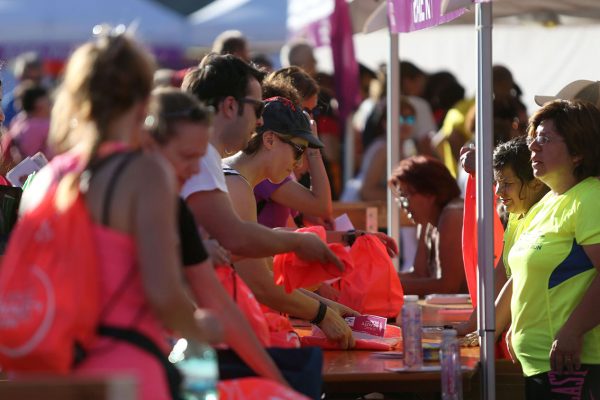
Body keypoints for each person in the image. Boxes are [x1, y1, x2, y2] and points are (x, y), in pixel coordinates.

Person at [21, 33, 218, 400]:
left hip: (48, 372)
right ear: (145, 101)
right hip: (124, 372)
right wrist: (200, 327)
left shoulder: (44, 179)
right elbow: (163, 292)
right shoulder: (144, 173)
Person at [145, 87, 290, 388]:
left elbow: (214, 301)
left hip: (160, 358)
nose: (196, 169)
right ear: (151, 145)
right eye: (187, 156)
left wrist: (278, 384)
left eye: (201, 158)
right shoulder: (136, 202)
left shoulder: (172, 205)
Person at [180, 54, 343, 271]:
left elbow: (225, 248)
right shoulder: (203, 162)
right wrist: (296, 241)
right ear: (230, 106)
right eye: (258, 108)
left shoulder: (205, 159)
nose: (260, 121)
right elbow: (237, 239)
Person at [222, 96, 359, 348]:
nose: (298, 163)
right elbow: (258, 283)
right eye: (298, 150)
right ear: (270, 139)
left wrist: (328, 307)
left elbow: (265, 276)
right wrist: (321, 314)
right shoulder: (235, 185)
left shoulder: (238, 182)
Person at [507, 100, 600, 398]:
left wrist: (573, 331)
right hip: (538, 361)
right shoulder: (547, 201)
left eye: (545, 139)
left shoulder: (590, 198)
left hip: (575, 363)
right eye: (532, 138)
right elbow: (519, 277)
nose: (533, 147)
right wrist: (508, 327)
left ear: (578, 152)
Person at [457, 137, 548, 348]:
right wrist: (474, 324)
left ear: (536, 183)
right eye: (496, 182)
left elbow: (519, 279)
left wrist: (491, 329)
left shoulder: (543, 214)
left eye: (506, 184)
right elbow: (502, 273)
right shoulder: (517, 215)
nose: (498, 192)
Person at [257, 66, 332, 228]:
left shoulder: (278, 158)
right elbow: (323, 207)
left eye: (315, 111)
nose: (311, 119)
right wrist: (313, 148)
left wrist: (350, 236)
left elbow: (297, 230)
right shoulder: (268, 161)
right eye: (305, 112)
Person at [389, 155, 466, 296]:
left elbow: (448, 287)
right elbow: (419, 274)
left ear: (429, 193)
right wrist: (377, 280)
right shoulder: (428, 221)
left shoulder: (453, 216)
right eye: (400, 200)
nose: (403, 206)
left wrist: (385, 287)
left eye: (405, 197)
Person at [341, 97, 417, 203]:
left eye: (410, 119)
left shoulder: (405, 148)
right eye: (400, 118)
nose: (405, 124)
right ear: (385, 123)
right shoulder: (383, 149)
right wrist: (403, 198)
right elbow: (367, 192)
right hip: (357, 209)